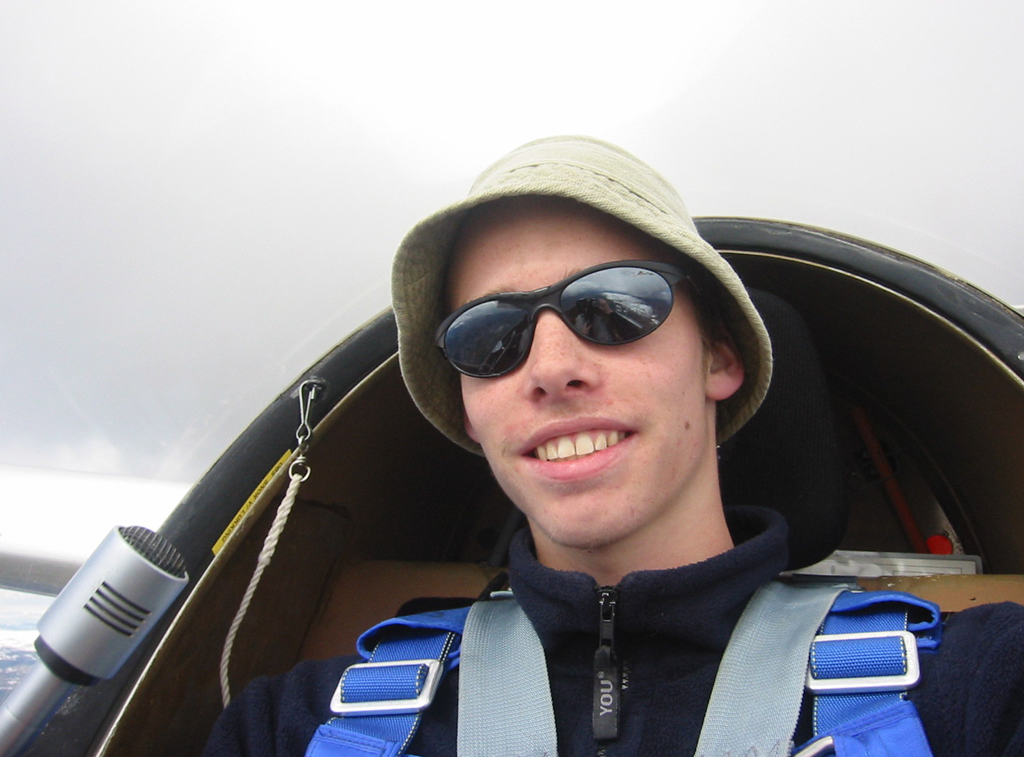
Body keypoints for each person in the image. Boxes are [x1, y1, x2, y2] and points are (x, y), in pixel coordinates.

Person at [203, 136, 1024, 756]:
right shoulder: (290, 724)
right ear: (469, 410)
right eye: (490, 336)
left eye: (615, 306)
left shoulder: (980, 686)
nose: (550, 369)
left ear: (720, 357)